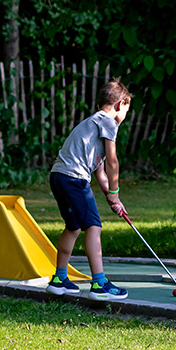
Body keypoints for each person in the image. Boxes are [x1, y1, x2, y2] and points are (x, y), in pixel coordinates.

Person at [45, 80, 133, 300]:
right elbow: (113, 162)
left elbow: (100, 171)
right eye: (127, 111)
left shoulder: (92, 123)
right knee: (93, 226)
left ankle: (59, 279)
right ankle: (100, 284)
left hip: (58, 177)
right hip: (74, 178)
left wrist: (113, 199)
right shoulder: (108, 122)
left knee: (73, 227)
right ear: (121, 104)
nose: (125, 117)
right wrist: (116, 191)